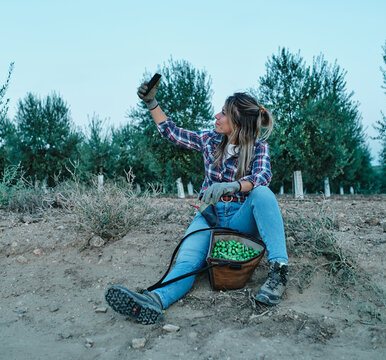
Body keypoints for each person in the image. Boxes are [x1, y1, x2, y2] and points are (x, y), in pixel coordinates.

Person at [105, 77, 289, 325]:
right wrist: (152, 103)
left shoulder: (259, 147)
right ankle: (154, 301)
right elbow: (171, 131)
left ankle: (279, 272)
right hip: (209, 216)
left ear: (238, 123)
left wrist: (235, 185)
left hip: (240, 218)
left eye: (223, 114)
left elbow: (262, 177)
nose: (216, 116)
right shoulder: (209, 141)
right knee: (187, 261)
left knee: (263, 193)